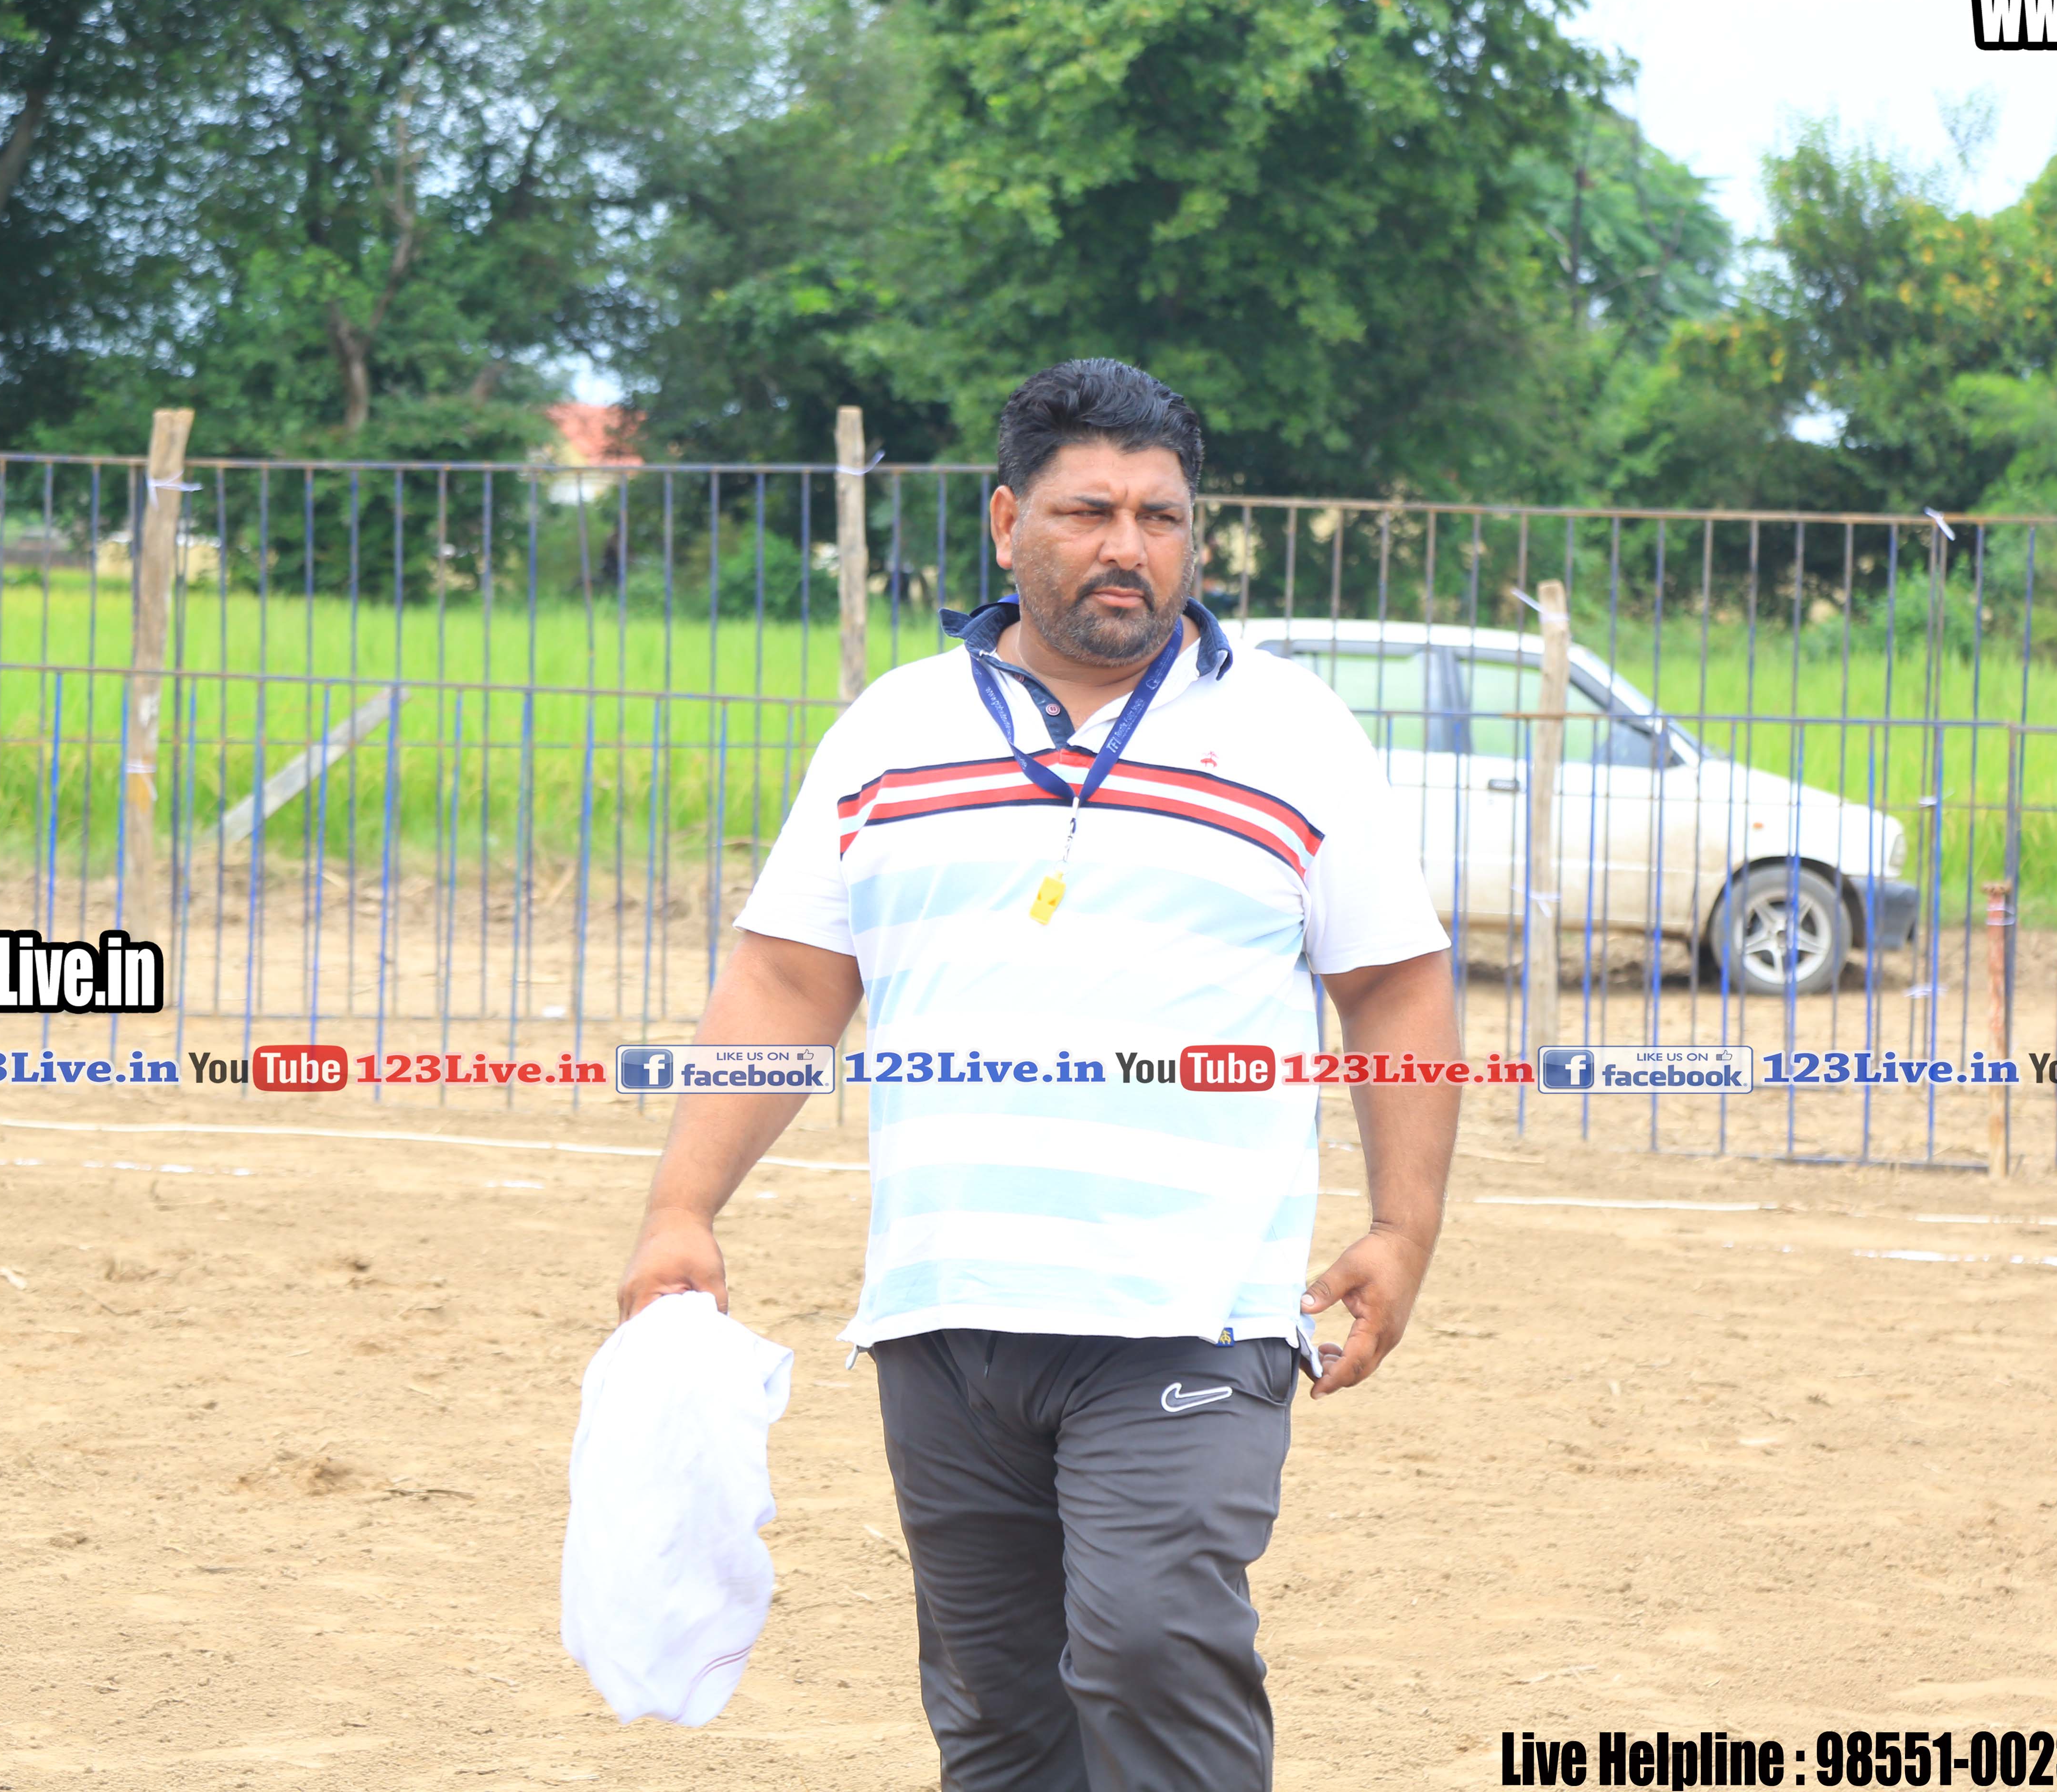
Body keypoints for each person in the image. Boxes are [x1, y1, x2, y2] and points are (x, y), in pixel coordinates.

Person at [616, 357, 1460, 1792]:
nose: (1129, 547)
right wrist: (680, 1207)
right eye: (1088, 513)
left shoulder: (1292, 732)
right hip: (946, 1313)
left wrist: (1404, 1225)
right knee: (1000, 1720)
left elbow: (1393, 984)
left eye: (1160, 517)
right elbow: (788, 983)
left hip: (1189, 1310)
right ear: (1008, 523)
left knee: (1150, 1646)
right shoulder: (892, 731)